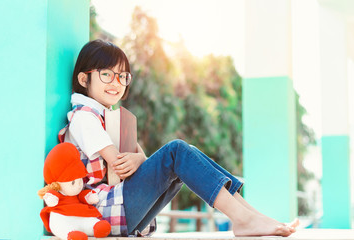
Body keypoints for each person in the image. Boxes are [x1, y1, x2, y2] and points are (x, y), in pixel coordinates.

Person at [59, 39, 299, 237]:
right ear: (84, 79)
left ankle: (251, 216)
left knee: (186, 153)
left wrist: (138, 158)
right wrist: (137, 159)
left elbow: (140, 156)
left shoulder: (109, 117)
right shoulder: (84, 118)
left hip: (120, 210)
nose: (117, 83)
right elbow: (121, 164)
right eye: (107, 75)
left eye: (123, 77)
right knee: (177, 152)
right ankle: (243, 219)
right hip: (102, 212)